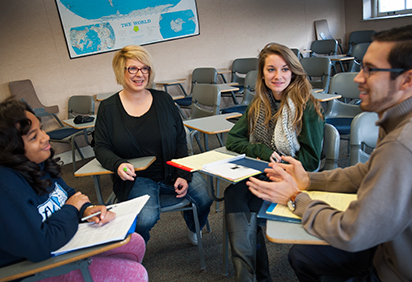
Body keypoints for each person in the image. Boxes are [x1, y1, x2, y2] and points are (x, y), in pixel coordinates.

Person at [246, 25, 412, 282]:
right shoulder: (395, 120)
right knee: (303, 256)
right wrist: (310, 181)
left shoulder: (401, 143)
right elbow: (367, 172)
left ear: (407, 80)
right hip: (387, 243)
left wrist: (295, 197)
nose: (357, 78)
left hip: (396, 269)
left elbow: (353, 232)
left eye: (370, 70)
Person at [0, 98, 148, 282]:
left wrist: (86, 208)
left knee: (135, 243)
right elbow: (40, 247)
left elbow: (68, 194)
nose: (45, 137)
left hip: (61, 241)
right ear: (9, 150)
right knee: (135, 275)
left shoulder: (37, 162)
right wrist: (72, 209)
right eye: (33, 137)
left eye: (41, 129)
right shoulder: (7, 187)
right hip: (33, 267)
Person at [224, 43, 325, 281]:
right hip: (265, 170)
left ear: (294, 72)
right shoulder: (259, 104)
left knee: (245, 201)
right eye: (271, 70)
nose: (278, 76)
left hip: (291, 176)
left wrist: (279, 168)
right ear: (262, 73)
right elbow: (233, 139)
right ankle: (248, 276)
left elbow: (310, 160)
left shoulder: (306, 106)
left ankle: (254, 276)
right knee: (234, 194)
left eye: (284, 69)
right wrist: (258, 149)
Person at [94, 45, 213, 244]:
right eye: (132, 68)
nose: (140, 74)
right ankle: (137, 245)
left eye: (145, 68)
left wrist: (183, 173)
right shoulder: (108, 108)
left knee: (205, 197)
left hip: (172, 169)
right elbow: (101, 147)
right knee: (145, 218)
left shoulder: (164, 100)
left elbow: (179, 140)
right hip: (137, 178)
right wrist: (118, 164)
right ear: (120, 71)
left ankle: (194, 226)